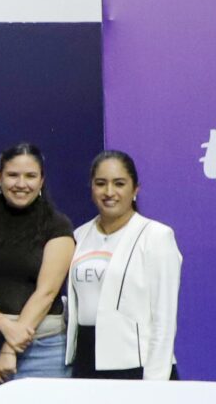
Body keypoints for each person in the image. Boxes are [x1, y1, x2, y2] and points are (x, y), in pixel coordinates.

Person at [66, 151, 181, 381]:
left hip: (136, 364)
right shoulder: (80, 234)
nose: (109, 192)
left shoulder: (156, 236)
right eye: (101, 183)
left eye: (119, 184)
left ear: (135, 189)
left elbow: (164, 319)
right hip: (86, 360)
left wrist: (156, 381)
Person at [0, 143, 74, 389]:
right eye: (13, 175)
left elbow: (47, 292)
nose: (21, 184)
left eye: (30, 176)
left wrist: (11, 348)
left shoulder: (58, 226)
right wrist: (2, 324)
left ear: (41, 181)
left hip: (46, 350)